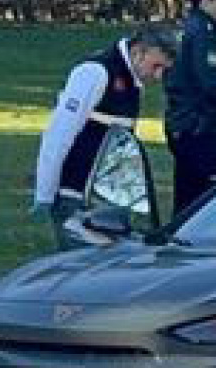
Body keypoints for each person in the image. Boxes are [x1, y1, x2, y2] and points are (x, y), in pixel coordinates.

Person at [32, 25, 179, 249]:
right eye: (156, 66)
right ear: (138, 52)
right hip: (77, 195)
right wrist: (45, 192)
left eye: (164, 70)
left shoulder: (132, 82)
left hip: (107, 199)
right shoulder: (95, 73)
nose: (158, 76)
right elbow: (59, 134)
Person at [164, 0, 216, 216]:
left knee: (188, 196)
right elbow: (211, 84)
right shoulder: (201, 35)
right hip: (199, 128)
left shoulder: (188, 30)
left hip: (184, 126)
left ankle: (180, 243)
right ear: (205, 2)